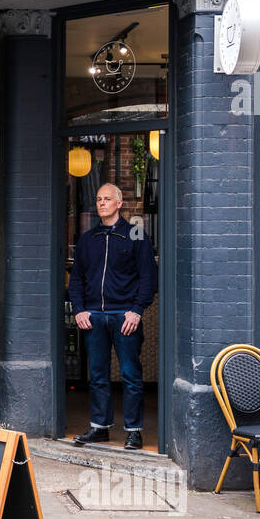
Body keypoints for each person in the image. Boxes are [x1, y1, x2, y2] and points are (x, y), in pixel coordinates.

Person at [70, 183, 158, 450]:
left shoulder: (136, 236)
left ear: (120, 203)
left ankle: (134, 430)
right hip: (94, 316)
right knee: (97, 375)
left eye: (107, 199)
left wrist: (137, 310)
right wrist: (79, 309)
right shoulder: (88, 239)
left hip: (124, 316)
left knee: (131, 374)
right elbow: (76, 280)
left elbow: (148, 278)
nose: (102, 203)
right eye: (98, 199)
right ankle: (100, 427)